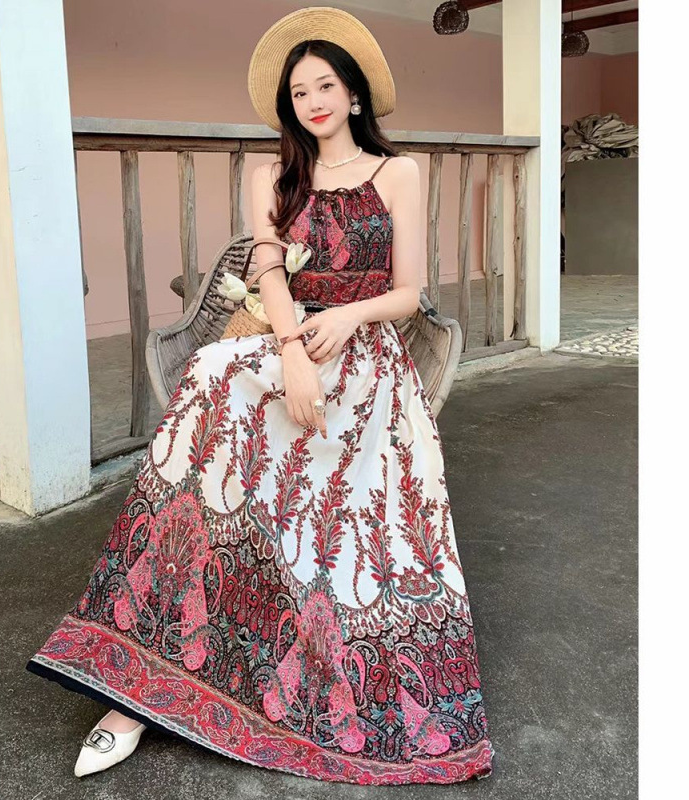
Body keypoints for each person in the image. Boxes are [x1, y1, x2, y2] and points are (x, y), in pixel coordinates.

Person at [26, 5, 495, 785]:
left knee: (261, 429)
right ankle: (140, 681)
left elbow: (410, 292)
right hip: (290, 342)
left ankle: (203, 663)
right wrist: (293, 353)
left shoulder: (398, 173)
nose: (312, 101)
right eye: (299, 91)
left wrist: (347, 316)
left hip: (365, 353)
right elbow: (271, 273)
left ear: (353, 94)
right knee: (211, 379)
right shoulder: (270, 177)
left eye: (325, 85)